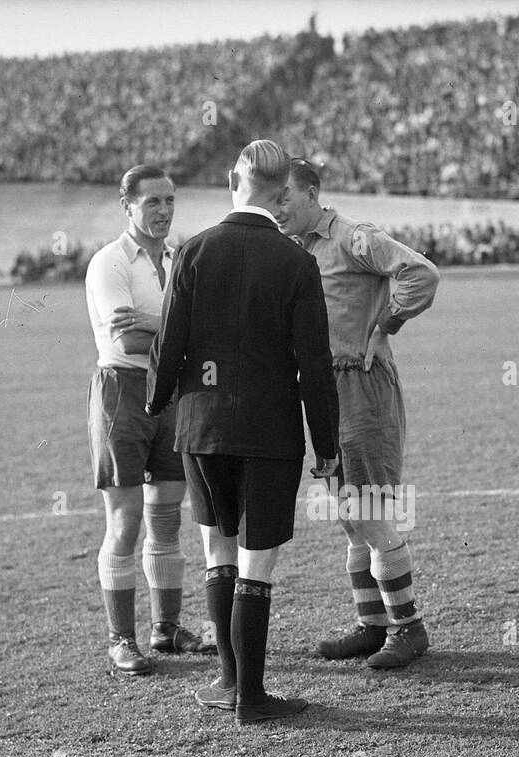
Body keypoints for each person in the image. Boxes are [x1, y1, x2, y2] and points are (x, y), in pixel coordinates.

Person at [147, 139, 339, 725]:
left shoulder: (194, 251)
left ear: (234, 179)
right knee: (257, 564)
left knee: (217, 551)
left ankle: (229, 683)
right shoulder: (296, 262)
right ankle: (251, 698)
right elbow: (314, 363)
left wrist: (158, 404)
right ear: (283, 193)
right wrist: (327, 447)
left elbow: (168, 344)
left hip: (200, 430)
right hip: (268, 431)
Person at [277, 158, 440, 669]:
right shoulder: (295, 249)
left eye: (285, 196)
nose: (277, 207)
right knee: (349, 517)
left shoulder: (352, 237)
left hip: (361, 384)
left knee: (367, 510)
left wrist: (385, 325)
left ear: (312, 193)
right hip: (324, 390)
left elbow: (420, 271)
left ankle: (409, 629)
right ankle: (371, 626)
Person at [84, 163, 214, 675]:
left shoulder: (182, 259)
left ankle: (166, 628)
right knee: (126, 520)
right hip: (122, 392)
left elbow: (196, 328)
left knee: (166, 515)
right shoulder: (109, 264)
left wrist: (160, 325)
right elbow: (126, 341)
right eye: (152, 202)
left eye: (170, 201)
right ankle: (121, 639)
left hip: (170, 392)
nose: (163, 211)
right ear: (128, 206)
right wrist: (178, 330)